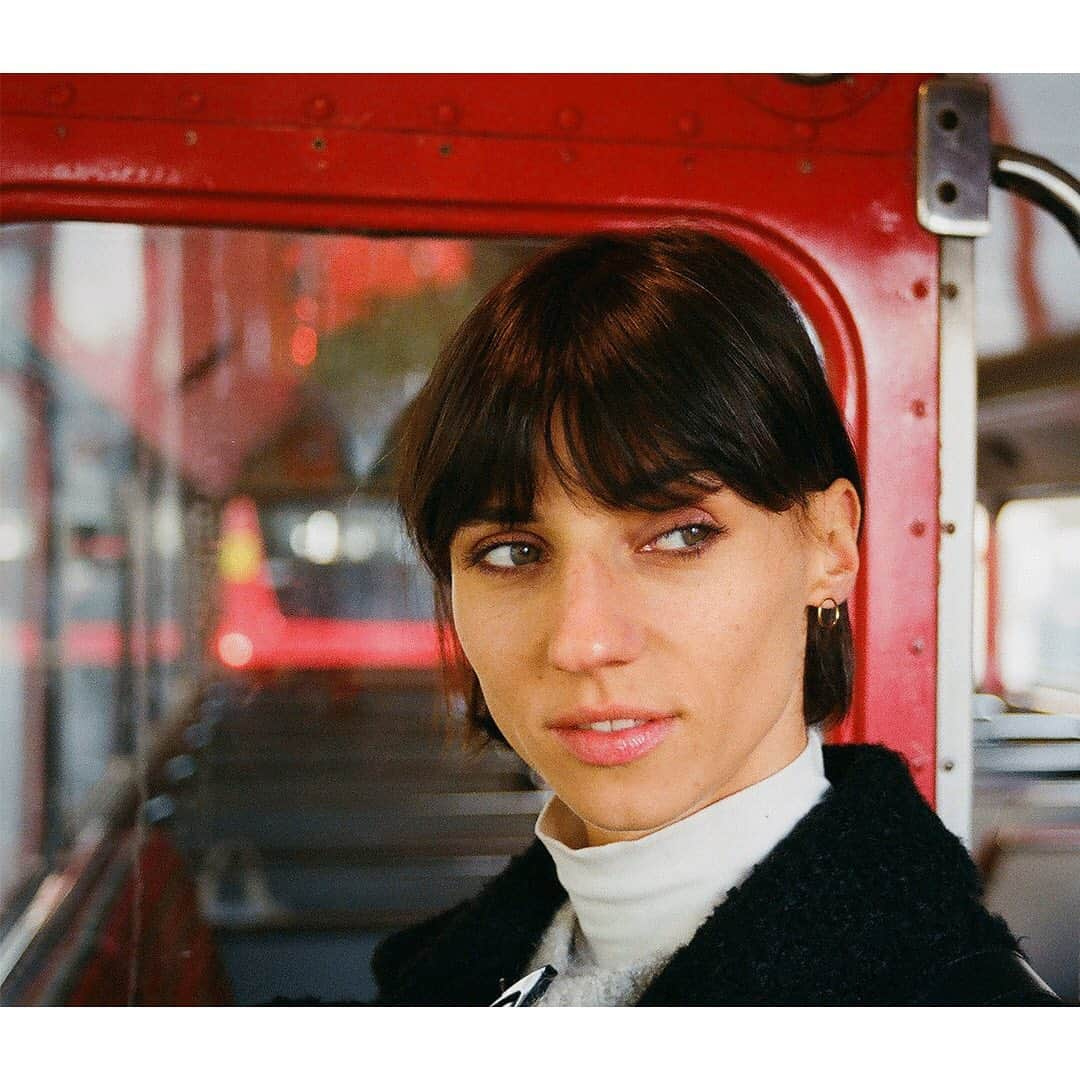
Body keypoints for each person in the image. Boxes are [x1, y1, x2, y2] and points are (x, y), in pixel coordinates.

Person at [371, 229, 1058, 1006]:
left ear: (830, 546)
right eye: (511, 554)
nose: (582, 641)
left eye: (680, 536)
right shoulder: (446, 977)